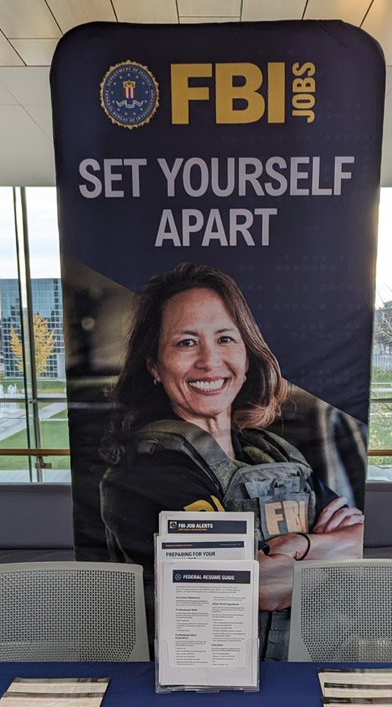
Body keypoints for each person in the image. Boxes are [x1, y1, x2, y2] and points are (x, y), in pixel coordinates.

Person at [100, 262, 364, 657]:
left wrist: (300, 548)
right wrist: (326, 549)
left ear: (246, 355)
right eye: (186, 342)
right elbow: (247, 589)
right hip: (200, 676)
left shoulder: (274, 451)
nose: (210, 360)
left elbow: (361, 547)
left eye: (226, 338)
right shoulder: (145, 474)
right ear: (154, 365)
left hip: (303, 668)